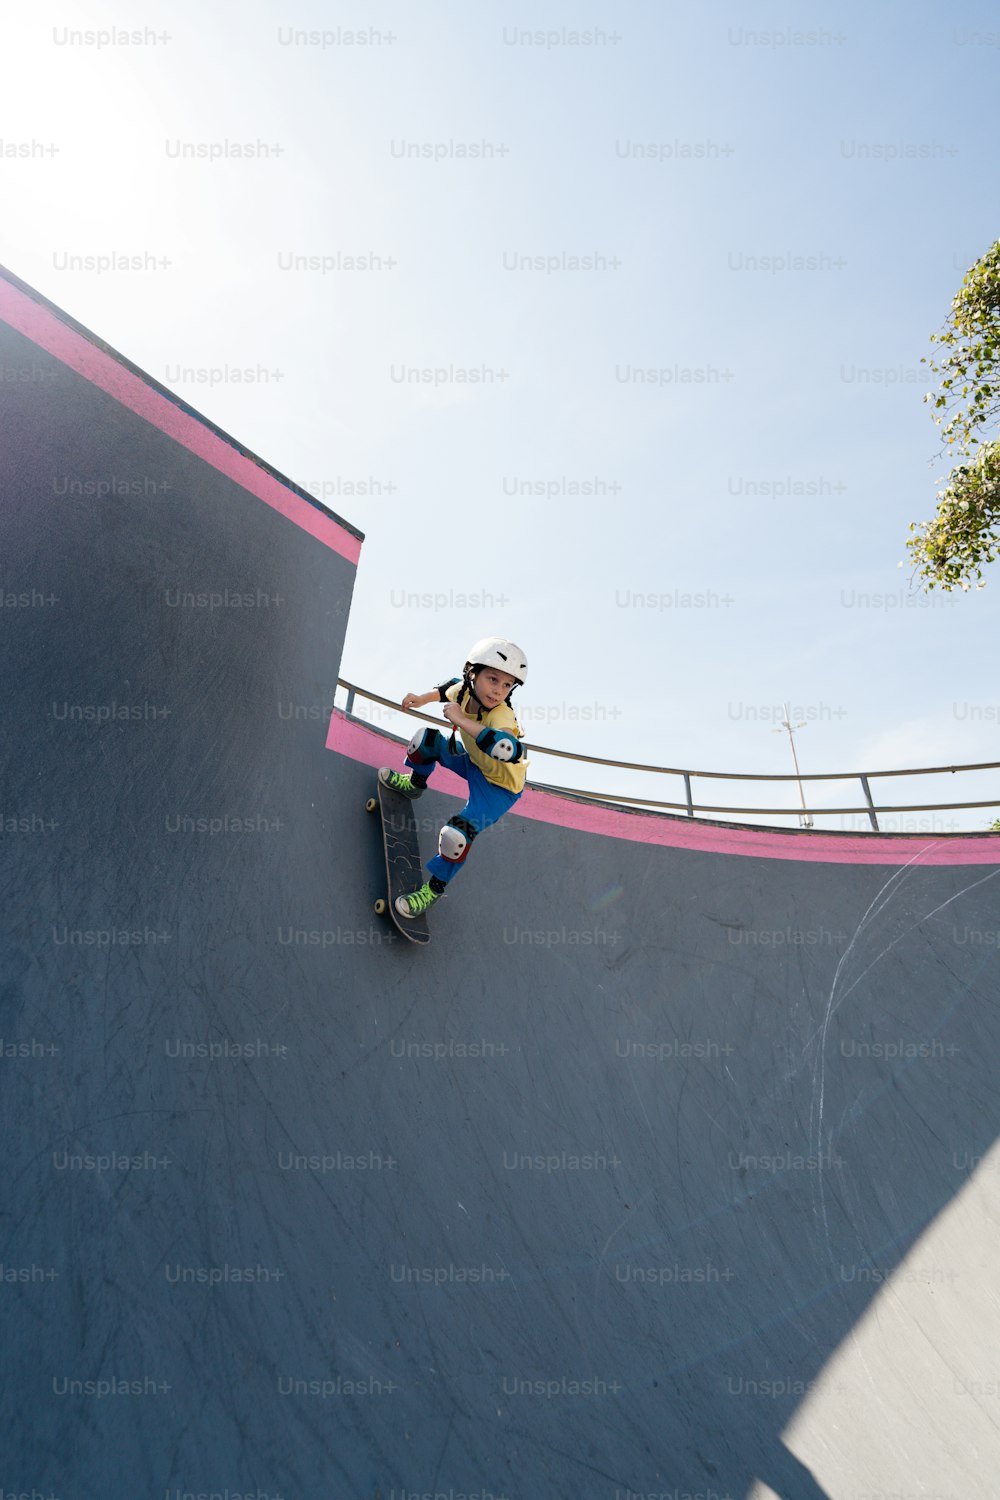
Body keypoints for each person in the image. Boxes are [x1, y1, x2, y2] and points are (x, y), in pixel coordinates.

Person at [379, 636, 529, 918]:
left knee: (455, 835)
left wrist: (461, 720)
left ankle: (433, 890)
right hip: (473, 763)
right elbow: (447, 689)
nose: (498, 691)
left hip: (499, 789)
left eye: (507, 685)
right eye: (493, 679)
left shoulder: (502, 714)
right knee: (425, 741)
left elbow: (505, 747)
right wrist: (421, 698)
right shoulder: (463, 692)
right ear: (472, 674)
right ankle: (414, 784)